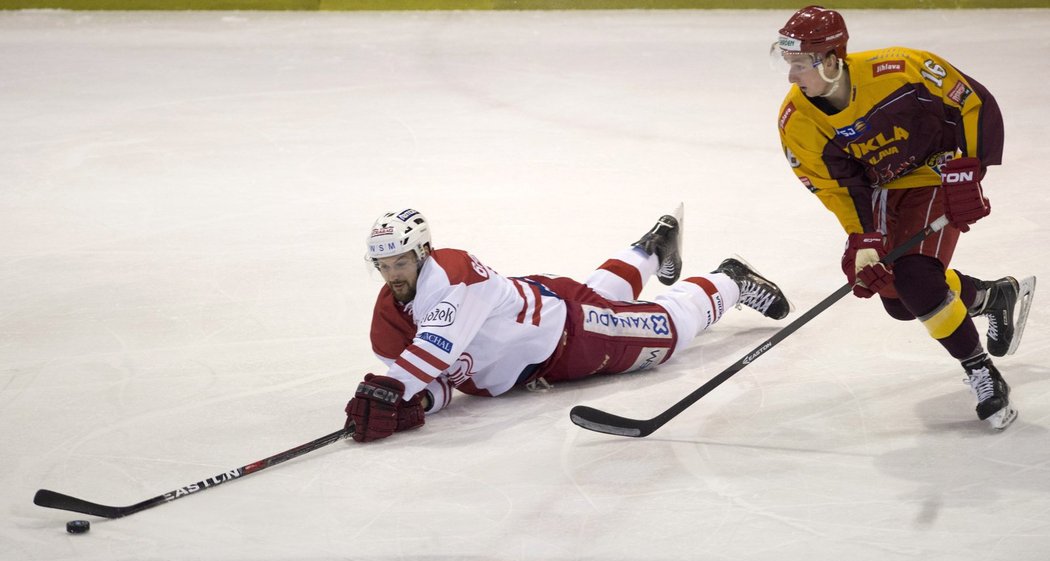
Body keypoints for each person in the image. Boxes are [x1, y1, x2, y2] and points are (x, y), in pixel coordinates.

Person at [772, 5, 1036, 430]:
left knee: (916, 279)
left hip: (936, 171)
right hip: (881, 188)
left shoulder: (899, 69)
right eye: (789, 64)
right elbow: (838, 187)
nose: (791, 77)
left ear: (833, 60)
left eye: (800, 65)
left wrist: (967, 171)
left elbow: (971, 100)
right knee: (898, 299)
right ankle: (991, 296)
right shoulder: (798, 122)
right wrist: (864, 241)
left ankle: (980, 370)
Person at [345, 206, 793, 442]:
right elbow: (437, 382)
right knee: (603, 295)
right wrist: (419, 402)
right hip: (546, 310)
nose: (392, 275)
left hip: (570, 337)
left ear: (423, 252)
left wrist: (394, 387)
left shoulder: (452, 272)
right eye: (382, 266)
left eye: (400, 261)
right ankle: (650, 249)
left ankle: (728, 280)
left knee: (667, 331)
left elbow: (433, 353)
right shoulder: (387, 323)